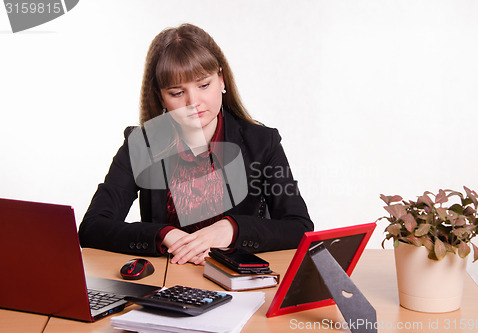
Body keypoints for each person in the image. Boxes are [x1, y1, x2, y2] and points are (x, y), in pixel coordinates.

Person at [78, 23, 313, 265]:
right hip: (167, 281)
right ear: (161, 97)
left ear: (221, 80)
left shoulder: (263, 143)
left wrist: (233, 229)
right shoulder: (141, 144)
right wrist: (163, 234)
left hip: (235, 282)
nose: (194, 102)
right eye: (177, 93)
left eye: (203, 85)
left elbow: (300, 227)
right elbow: (92, 226)